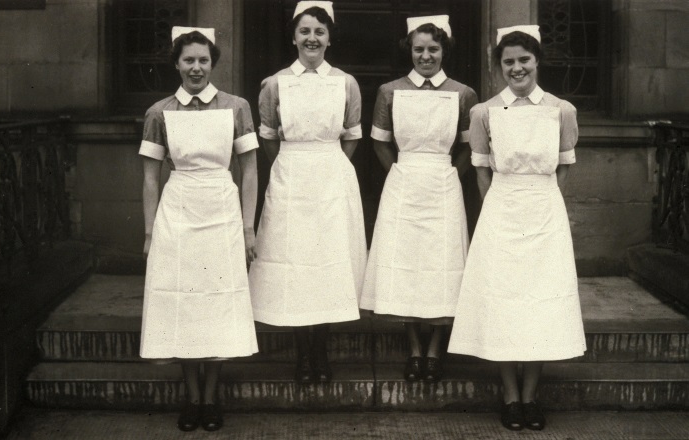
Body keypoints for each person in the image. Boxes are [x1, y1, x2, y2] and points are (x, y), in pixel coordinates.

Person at [447, 25, 586, 431]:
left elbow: (562, 168)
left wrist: (546, 205)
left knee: (538, 301)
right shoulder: (483, 113)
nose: (517, 68)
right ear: (498, 66)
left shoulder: (562, 110)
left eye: (524, 59)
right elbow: (481, 173)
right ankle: (510, 396)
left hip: (545, 213)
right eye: (508, 61)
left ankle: (531, 396)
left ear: (537, 60)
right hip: (501, 212)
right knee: (505, 301)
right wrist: (500, 206)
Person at [139, 26, 259, 432]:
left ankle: (212, 396)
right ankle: (192, 397)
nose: (196, 68)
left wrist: (247, 229)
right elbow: (151, 179)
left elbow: (250, 172)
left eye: (203, 60)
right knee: (185, 305)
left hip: (221, 213)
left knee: (217, 303)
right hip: (178, 215)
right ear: (176, 63)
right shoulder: (159, 113)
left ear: (213, 63)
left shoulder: (236, 107)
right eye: (188, 60)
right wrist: (150, 233)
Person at [248, 1, 366, 384]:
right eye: (304, 31)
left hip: (332, 177)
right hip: (291, 179)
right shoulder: (274, 84)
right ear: (293, 36)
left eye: (319, 31)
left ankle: (322, 350)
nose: (311, 38)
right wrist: (292, 162)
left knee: (328, 262)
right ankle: (303, 353)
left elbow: (350, 135)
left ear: (329, 38)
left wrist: (327, 159)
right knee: (296, 263)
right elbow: (267, 137)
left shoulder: (345, 83)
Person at [360, 15, 477, 383]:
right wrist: (397, 170)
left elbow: (469, 145)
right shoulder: (389, 91)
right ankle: (413, 346)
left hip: (444, 184)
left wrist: (451, 174)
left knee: (441, 265)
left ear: (444, 50)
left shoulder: (463, 93)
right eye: (419, 49)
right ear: (409, 51)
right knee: (407, 264)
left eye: (433, 49)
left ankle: (434, 348)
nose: (426, 57)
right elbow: (378, 139)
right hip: (404, 183)